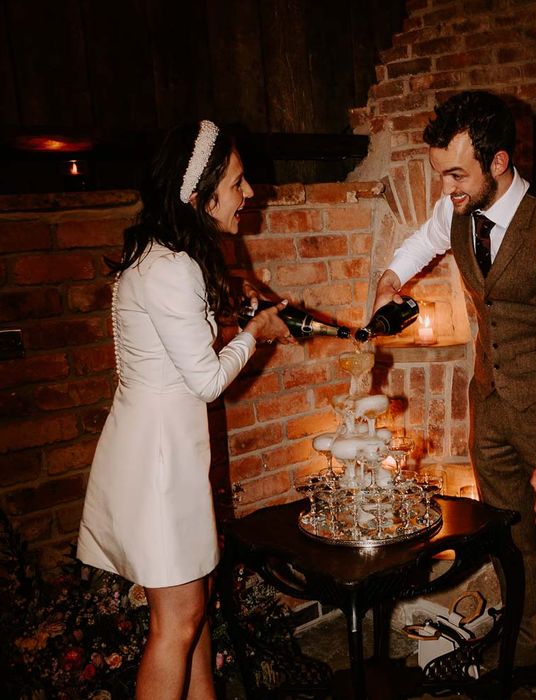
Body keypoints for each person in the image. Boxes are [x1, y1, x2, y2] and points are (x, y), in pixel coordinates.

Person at [372, 91, 536, 700]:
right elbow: (423, 239)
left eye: (456, 173)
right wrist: (390, 278)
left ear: (499, 162)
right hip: (492, 412)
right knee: (514, 546)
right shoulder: (459, 210)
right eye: (439, 173)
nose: (446, 186)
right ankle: (527, 655)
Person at [77, 119, 296, 700]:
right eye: (239, 182)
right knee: (175, 626)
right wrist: (255, 332)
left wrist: (237, 312)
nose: (248, 194)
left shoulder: (160, 254)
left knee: (191, 614)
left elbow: (177, 346)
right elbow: (205, 380)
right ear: (199, 195)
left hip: (158, 451)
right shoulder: (173, 267)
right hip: (159, 466)